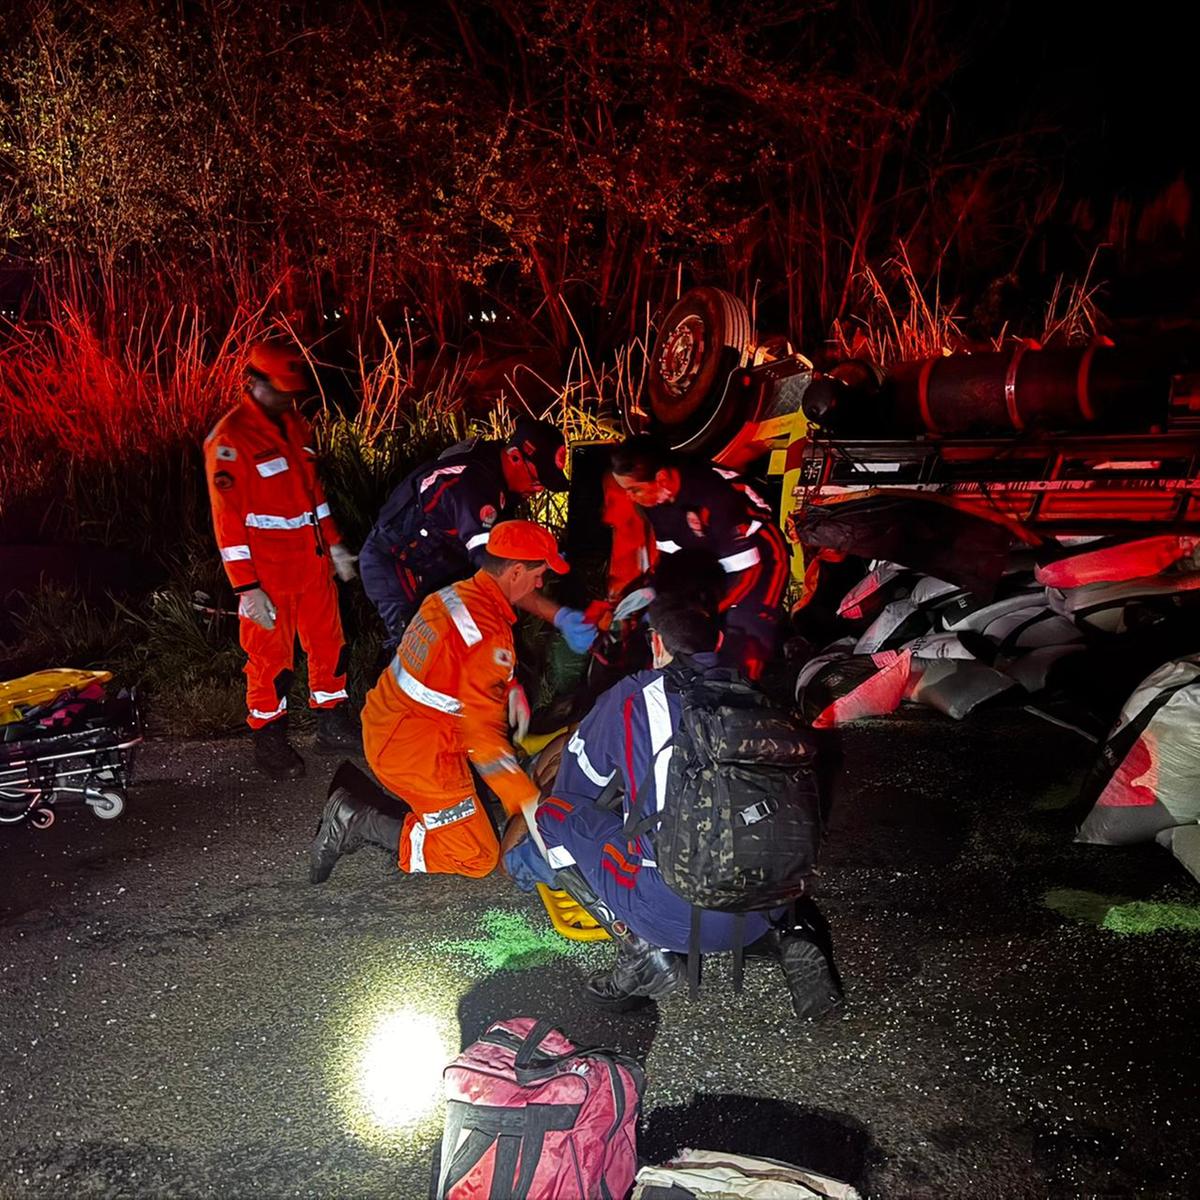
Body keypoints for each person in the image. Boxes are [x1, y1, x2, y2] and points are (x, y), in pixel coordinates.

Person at [503, 598, 843, 1018]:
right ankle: (789, 933)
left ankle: (640, 948)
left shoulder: (634, 696)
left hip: (667, 911)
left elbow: (577, 789)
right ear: (719, 641)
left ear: (657, 645)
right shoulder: (759, 699)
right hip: (765, 906)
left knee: (550, 815)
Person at [309, 519, 567, 882]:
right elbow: (483, 742)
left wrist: (509, 688)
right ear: (516, 571)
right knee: (477, 857)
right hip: (418, 754)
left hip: (390, 722)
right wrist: (525, 799)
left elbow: (454, 666)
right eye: (538, 574)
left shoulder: (457, 595)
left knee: (476, 805)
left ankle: (434, 814)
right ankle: (356, 820)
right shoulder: (489, 635)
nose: (540, 584)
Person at [204, 340, 361, 780]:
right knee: (269, 660)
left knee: (330, 646)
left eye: (292, 391)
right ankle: (268, 738)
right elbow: (227, 522)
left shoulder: (295, 426)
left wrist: (334, 545)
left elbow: (314, 496)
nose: (288, 398)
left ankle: (332, 722)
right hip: (268, 575)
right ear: (253, 383)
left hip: (313, 566)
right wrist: (246, 587)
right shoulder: (230, 440)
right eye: (280, 390)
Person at [359, 417, 596, 654]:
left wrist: (541, 558)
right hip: (396, 565)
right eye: (536, 480)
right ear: (514, 457)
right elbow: (497, 575)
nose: (538, 490)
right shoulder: (472, 487)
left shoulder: (495, 466)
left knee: (462, 645)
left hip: (437, 564)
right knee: (418, 647)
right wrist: (557, 615)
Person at [609, 436, 790, 681]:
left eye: (634, 489)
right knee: (675, 629)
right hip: (708, 562)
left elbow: (747, 573)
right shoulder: (656, 501)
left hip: (759, 559)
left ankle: (746, 692)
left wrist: (706, 614)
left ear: (661, 478)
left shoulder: (715, 495)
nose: (630, 498)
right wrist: (653, 591)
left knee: (744, 634)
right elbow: (672, 558)